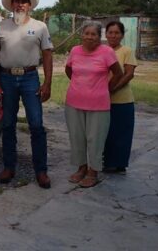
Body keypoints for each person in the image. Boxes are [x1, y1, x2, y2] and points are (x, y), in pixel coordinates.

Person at [0, 0, 53, 189]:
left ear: (30, 5)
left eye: (24, 1)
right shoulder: (1, 27)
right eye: (16, 1)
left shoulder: (40, 27)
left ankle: (41, 171)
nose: (20, 4)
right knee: (7, 125)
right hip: (6, 78)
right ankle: (9, 167)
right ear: (12, 5)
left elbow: (48, 55)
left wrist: (47, 83)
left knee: (36, 124)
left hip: (30, 78)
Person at [64, 20, 123, 188]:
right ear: (82, 35)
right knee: (77, 138)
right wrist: (80, 85)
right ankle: (81, 168)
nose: (90, 37)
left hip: (98, 104)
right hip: (74, 102)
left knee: (95, 139)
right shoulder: (75, 51)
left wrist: (106, 88)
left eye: (94, 34)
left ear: (99, 37)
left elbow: (118, 73)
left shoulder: (107, 52)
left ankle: (93, 172)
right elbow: (69, 70)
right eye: (87, 33)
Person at [103, 21, 138, 173]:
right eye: (110, 32)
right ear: (106, 34)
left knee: (121, 133)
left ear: (122, 35)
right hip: (101, 100)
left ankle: (119, 163)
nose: (113, 35)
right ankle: (106, 161)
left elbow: (129, 74)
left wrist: (113, 89)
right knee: (105, 132)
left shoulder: (127, 51)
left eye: (116, 33)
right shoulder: (101, 50)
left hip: (122, 100)